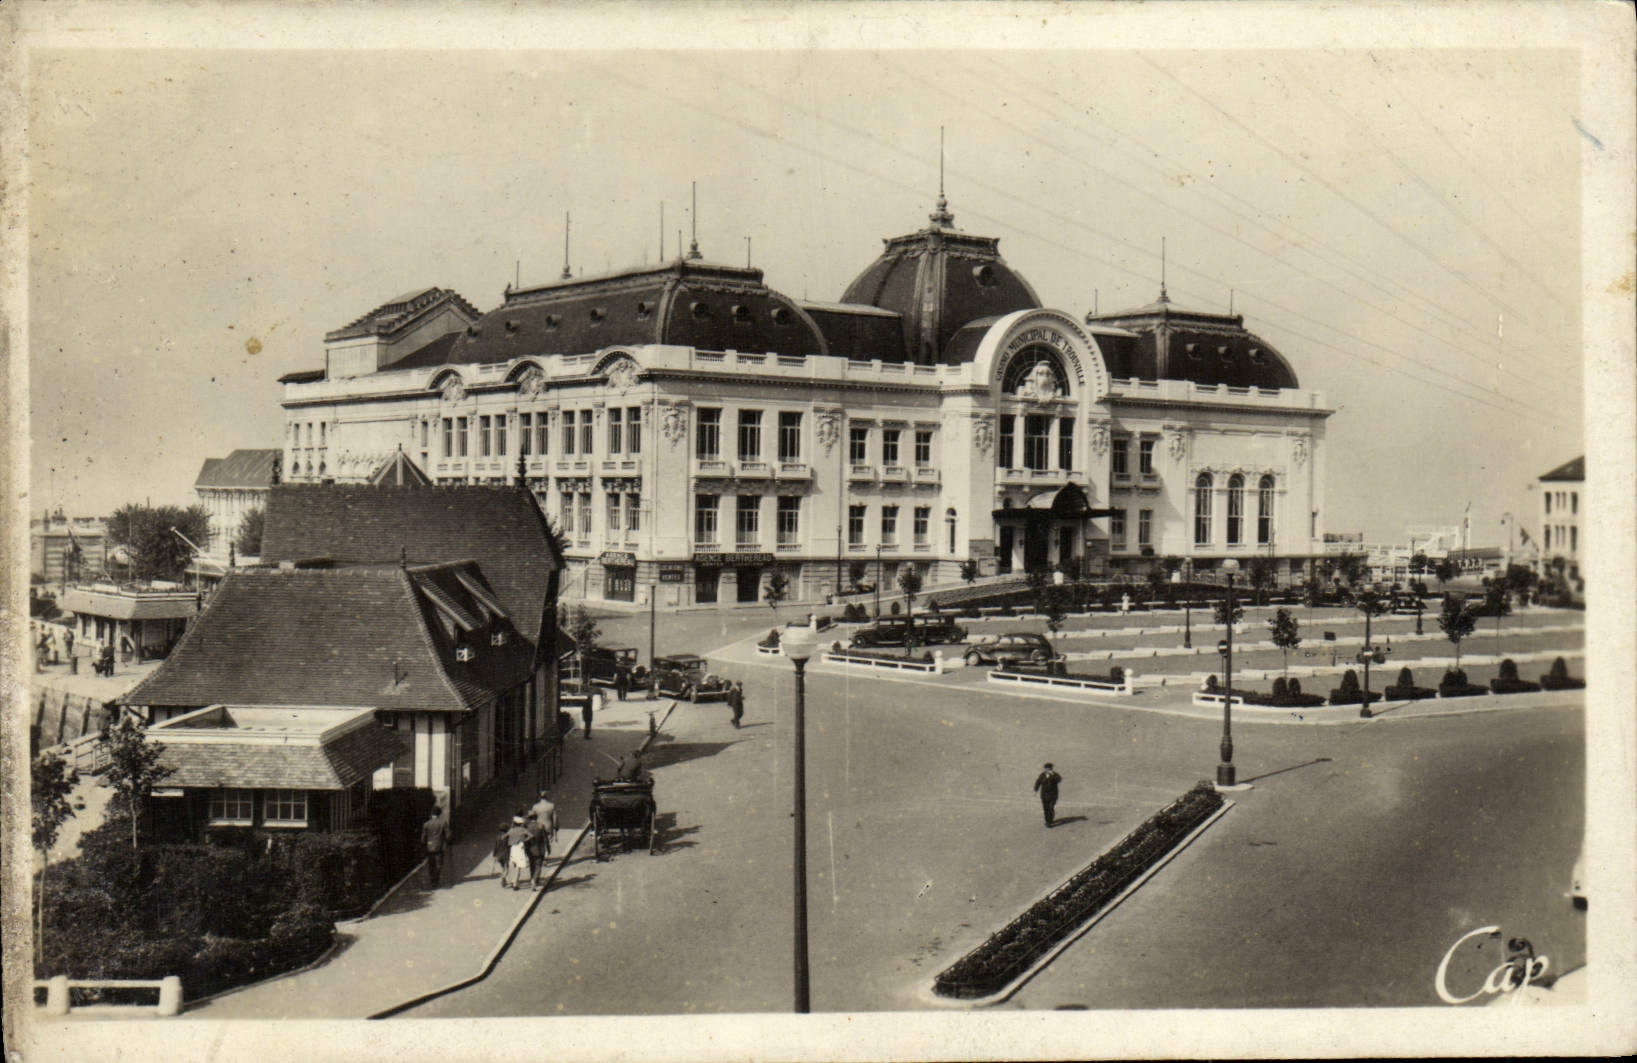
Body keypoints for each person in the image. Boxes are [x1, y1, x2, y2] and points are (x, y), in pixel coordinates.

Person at [421, 807, 450, 888]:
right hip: (440, 847)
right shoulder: (443, 823)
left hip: (429, 847)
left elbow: (423, 839)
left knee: (431, 864)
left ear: (431, 814)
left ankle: (432, 880)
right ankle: (435, 880)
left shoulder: (426, 824)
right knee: (439, 864)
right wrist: (445, 842)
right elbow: (448, 836)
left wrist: (425, 845)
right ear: (439, 814)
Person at [502, 815, 531, 889]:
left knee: (513, 865)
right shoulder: (522, 829)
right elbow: (531, 835)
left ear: (514, 823)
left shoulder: (512, 830)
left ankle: (513, 881)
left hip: (512, 849)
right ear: (521, 823)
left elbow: (503, 837)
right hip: (520, 848)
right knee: (518, 867)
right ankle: (515, 883)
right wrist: (524, 840)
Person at [1033, 763, 1062, 828]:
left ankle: (1050, 820)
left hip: (1053, 795)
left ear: (1051, 768)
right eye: (1047, 768)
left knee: (1051, 807)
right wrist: (1036, 790)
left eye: (1050, 768)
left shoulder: (1054, 774)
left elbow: (1059, 780)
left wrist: (1053, 774)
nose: (1048, 770)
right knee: (1046, 808)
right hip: (1044, 795)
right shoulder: (1042, 775)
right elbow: (1038, 782)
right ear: (1045, 769)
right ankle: (1047, 821)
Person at [524, 811, 547, 888]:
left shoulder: (526, 827)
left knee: (532, 864)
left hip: (530, 849)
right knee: (538, 866)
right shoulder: (541, 826)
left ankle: (532, 880)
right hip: (540, 849)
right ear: (536, 817)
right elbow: (545, 839)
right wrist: (548, 848)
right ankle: (534, 880)